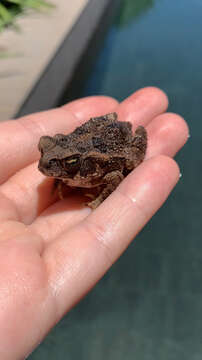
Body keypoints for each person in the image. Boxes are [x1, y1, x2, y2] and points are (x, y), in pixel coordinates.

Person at [0, 87, 188, 359]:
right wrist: (59, 177)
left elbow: (113, 175)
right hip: (90, 140)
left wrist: (100, 198)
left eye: (67, 164)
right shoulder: (65, 164)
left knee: (132, 162)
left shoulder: (93, 168)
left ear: (77, 164)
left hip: (115, 147)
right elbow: (60, 158)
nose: (45, 164)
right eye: (45, 152)